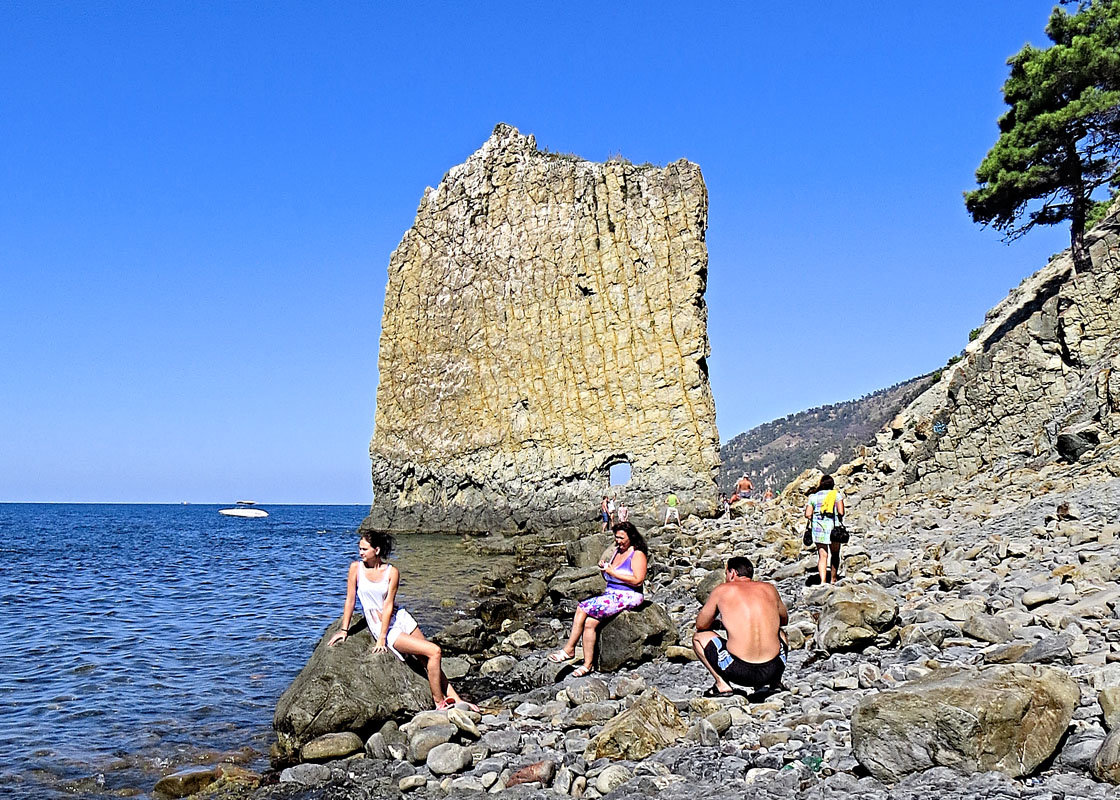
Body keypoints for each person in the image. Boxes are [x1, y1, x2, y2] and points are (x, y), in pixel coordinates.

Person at [328, 530, 474, 710]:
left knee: (426, 657)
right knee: (435, 651)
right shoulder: (355, 569)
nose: (361, 553)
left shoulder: (392, 572)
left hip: (400, 618)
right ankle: (439, 702)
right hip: (382, 625)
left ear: (377, 550)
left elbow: (389, 604)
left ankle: (456, 699)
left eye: (365, 549)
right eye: (359, 549)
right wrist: (345, 630)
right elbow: (350, 600)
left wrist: (382, 637)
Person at [548, 521, 648, 677]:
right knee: (589, 623)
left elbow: (638, 580)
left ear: (631, 537)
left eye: (622, 538)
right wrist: (605, 570)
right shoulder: (616, 552)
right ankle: (588, 665)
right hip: (612, 592)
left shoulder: (637, 554)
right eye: (616, 537)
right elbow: (610, 577)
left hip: (628, 595)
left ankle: (569, 649)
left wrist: (613, 572)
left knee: (582, 607)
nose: (618, 541)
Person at [692, 556, 788, 697]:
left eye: (726, 573)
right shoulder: (769, 589)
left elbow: (700, 625)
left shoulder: (723, 590)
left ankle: (722, 685)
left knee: (698, 637)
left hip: (739, 670)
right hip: (772, 667)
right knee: (781, 633)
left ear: (733, 573)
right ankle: (775, 683)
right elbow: (784, 620)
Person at [804, 474, 845, 585]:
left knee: (822, 556)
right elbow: (841, 512)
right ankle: (833, 579)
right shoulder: (836, 495)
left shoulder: (813, 497)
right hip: (833, 528)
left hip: (818, 529)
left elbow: (808, 514)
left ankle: (822, 581)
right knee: (835, 553)